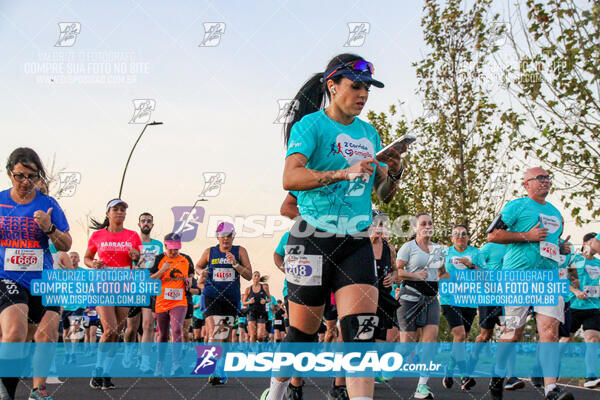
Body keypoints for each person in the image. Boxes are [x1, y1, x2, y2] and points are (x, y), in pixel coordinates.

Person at [261, 53, 404, 400]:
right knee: (303, 337)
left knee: (361, 335)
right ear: (332, 85)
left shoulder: (369, 133)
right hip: (312, 240)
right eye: (355, 86)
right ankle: (276, 393)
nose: (363, 94)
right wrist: (341, 172)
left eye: (367, 88)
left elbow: (383, 193)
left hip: (355, 241)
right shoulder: (311, 126)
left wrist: (394, 171)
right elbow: (289, 177)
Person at [487, 167, 573, 400]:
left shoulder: (555, 213)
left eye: (547, 178)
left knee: (550, 332)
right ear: (527, 183)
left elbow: (550, 243)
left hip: (548, 279)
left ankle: (551, 390)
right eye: (540, 178)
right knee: (513, 333)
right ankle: (497, 375)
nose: (545, 181)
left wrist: (561, 248)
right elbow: (492, 235)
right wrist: (527, 236)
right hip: (518, 277)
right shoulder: (516, 206)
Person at [0, 148, 72, 400]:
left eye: (32, 176)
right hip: (8, 278)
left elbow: (66, 244)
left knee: (46, 334)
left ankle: (38, 390)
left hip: (44, 281)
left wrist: (49, 228)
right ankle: (5, 390)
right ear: (10, 173)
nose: (26, 182)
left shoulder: (48, 205)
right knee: (15, 334)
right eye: (20, 175)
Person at [85, 198, 142, 390]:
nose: (120, 212)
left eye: (123, 210)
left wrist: (136, 256)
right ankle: (99, 371)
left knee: (117, 332)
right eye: (116, 209)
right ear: (108, 213)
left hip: (124, 287)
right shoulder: (97, 236)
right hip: (103, 287)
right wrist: (93, 264)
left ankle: (105, 372)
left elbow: (142, 262)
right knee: (109, 329)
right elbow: (87, 258)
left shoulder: (133, 235)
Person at [396, 212, 447, 400]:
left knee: (429, 342)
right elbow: (397, 271)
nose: (427, 226)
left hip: (431, 299)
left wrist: (457, 281)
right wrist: (416, 275)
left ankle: (422, 387)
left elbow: (442, 272)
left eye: (430, 223)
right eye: (423, 223)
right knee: (406, 348)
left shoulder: (438, 250)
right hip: (409, 298)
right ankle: (386, 368)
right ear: (416, 228)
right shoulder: (408, 247)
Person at [196, 221, 252, 385]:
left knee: (225, 337)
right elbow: (198, 267)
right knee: (214, 331)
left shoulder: (240, 251)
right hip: (211, 295)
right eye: (222, 236)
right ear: (217, 236)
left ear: (233, 236)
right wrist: (201, 272)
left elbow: (248, 275)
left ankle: (221, 368)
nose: (225, 239)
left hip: (230, 298)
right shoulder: (210, 252)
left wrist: (235, 264)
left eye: (228, 236)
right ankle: (211, 369)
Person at [439, 224, 483, 391]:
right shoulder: (445, 253)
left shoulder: (476, 253)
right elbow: (438, 275)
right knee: (460, 334)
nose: (460, 236)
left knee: (460, 339)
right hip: (449, 299)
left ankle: (449, 370)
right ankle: (465, 375)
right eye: (456, 234)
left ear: (468, 237)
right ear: (451, 238)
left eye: (464, 234)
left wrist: (471, 265)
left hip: (470, 301)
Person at [150, 233, 194, 376]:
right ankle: (160, 364)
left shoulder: (186, 259)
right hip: (161, 300)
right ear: (165, 246)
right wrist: (162, 270)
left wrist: (189, 281)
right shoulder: (158, 259)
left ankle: (176, 364)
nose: (173, 252)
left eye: (176, 248)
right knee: (162, 334)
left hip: (179, 300)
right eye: (171, 249)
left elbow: (191, 275)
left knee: (176, 330)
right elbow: (150, 279)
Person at [124, 213, 163, 372]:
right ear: (139, 224)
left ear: (152, 225)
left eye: (149, 221)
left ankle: (145, 361)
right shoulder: (131, 243)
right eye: (143, 221)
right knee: (131, 328)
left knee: (148, 325)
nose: (146, 223)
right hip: (133, 289)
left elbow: (160, 266)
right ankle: (128, 352)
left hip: (149, 289)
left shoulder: (158, 245)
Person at [564, 233, 600, 388]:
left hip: (594, 307)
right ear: (587, 242)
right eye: (598, 241)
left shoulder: (598, 264)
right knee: (565, 341)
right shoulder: (575, 260)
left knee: (593, 340)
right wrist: (576, 292)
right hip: (574, 307)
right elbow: (566, 280)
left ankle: (591, 376)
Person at [370, 210, 398, 385]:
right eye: (376, 224)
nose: (379, 228)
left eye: (382, 224)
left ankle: (374, 369)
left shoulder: (389, 248)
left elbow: (396, 269)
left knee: (381, 338)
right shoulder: (360, 245)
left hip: (383, 296)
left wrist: (393, 277)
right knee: (362, 335)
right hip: (362, 296)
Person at [242, 272, 270, 342]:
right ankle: (253, 352)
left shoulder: (264, 287)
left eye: (258, 276)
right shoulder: (248, 289)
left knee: (260, 336)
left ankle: (260, 348)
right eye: (255, 276)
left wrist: (265, 301)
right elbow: (243, 303)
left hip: (261, 313)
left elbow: (269, 299)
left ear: (259, 278)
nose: (257, 277)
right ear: (252, 277)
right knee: (253, 335)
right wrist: (249, 302)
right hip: (251, 313)